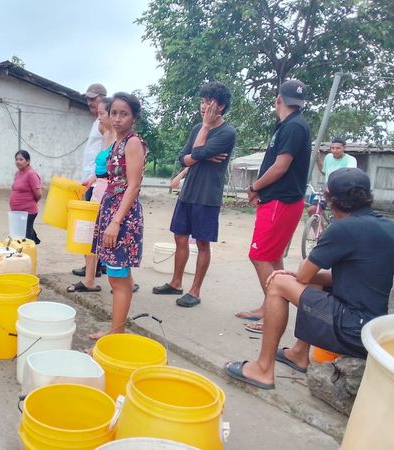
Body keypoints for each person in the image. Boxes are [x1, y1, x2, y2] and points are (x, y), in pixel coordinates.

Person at [225, 168, 394, 389]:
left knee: (277, 284)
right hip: (371, 329)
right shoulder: (387, 226)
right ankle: (298, 353)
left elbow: (304, 274)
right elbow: (349, 277)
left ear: (330, 199)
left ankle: (263, 370)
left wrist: (292, 276)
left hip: (350, 329)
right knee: (314, 280)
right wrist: (296, 276)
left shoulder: (342, 228)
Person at [235, 80, 312, 332]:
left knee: (259, 256)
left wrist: (254, 186)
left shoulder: (294, 126)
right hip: (279, 200)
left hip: (282, 201)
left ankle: (274, 314)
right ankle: (269, 306)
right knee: (273, 256)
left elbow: (280, 167)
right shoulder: (289, 125)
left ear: (278, 99)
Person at [152, 82, 236, 307]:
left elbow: (195, 153)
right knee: (179, 238)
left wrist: (202, 142)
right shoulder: (196, 128)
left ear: (221, 106)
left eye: (209, 102)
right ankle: (176, 283)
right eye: (202, 101)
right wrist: (202, 155)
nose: (203, 106)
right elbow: (183, 158)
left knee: (202, 243)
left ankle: (195, 291)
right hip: (188, 192)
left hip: (207, 196)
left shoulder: (227, 132)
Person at [89, 92, 147, 340]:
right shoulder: (117, 142)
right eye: (114, 113)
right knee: (120, 277)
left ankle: (115, 335)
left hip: (122, 216)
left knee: (117, 279)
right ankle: (116, 330)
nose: (117, 118)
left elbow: (133, 186)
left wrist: (115, 222)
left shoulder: (132, 143)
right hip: (113, 210)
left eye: (124, 114)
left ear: (134, 117)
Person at [68, 97, 114, 292]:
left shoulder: (123, 140)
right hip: (98, 190)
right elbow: (101, 168)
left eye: (102, 113)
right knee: (91, 236)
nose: (99, 117)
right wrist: (90, 180)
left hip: (111, 194)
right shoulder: (106, 135)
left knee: (111, 238)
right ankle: (89, 280)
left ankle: (126, 282)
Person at [72, 83, 107, 278]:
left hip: (97, 182)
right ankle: (96, 266)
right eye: (88, 98)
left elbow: (108, 152)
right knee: (93, 225)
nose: (89, 102)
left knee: (92, 226)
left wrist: (95, 177)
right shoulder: (97, 121)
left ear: (103, 97)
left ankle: (93, 269)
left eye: (93, 98)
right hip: (90, 180)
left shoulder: (105, 123)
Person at [308, 138, 357, 216]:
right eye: (332, 148)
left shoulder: (351, 160)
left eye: (338, 148)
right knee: (313, 209)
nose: (334, 150)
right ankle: (320, 224)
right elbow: (324, 172)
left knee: (337, 213)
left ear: (344, 148)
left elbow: (349, 175)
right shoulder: (328, 157)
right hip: (327, 187)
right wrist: (317, 159)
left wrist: (335, 185)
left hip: (342, 189)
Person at [9, 150, 42, 244]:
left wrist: (30, 203)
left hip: (27, 212)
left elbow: (38, 194)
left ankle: (30, 248)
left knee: (24, 238)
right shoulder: (18, 173)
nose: (18, 161)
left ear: (27, 161)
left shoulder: (31, 174)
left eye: (21, 159)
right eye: (16, 159)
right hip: (17, 213)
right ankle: (33, 242)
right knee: (21, 234)